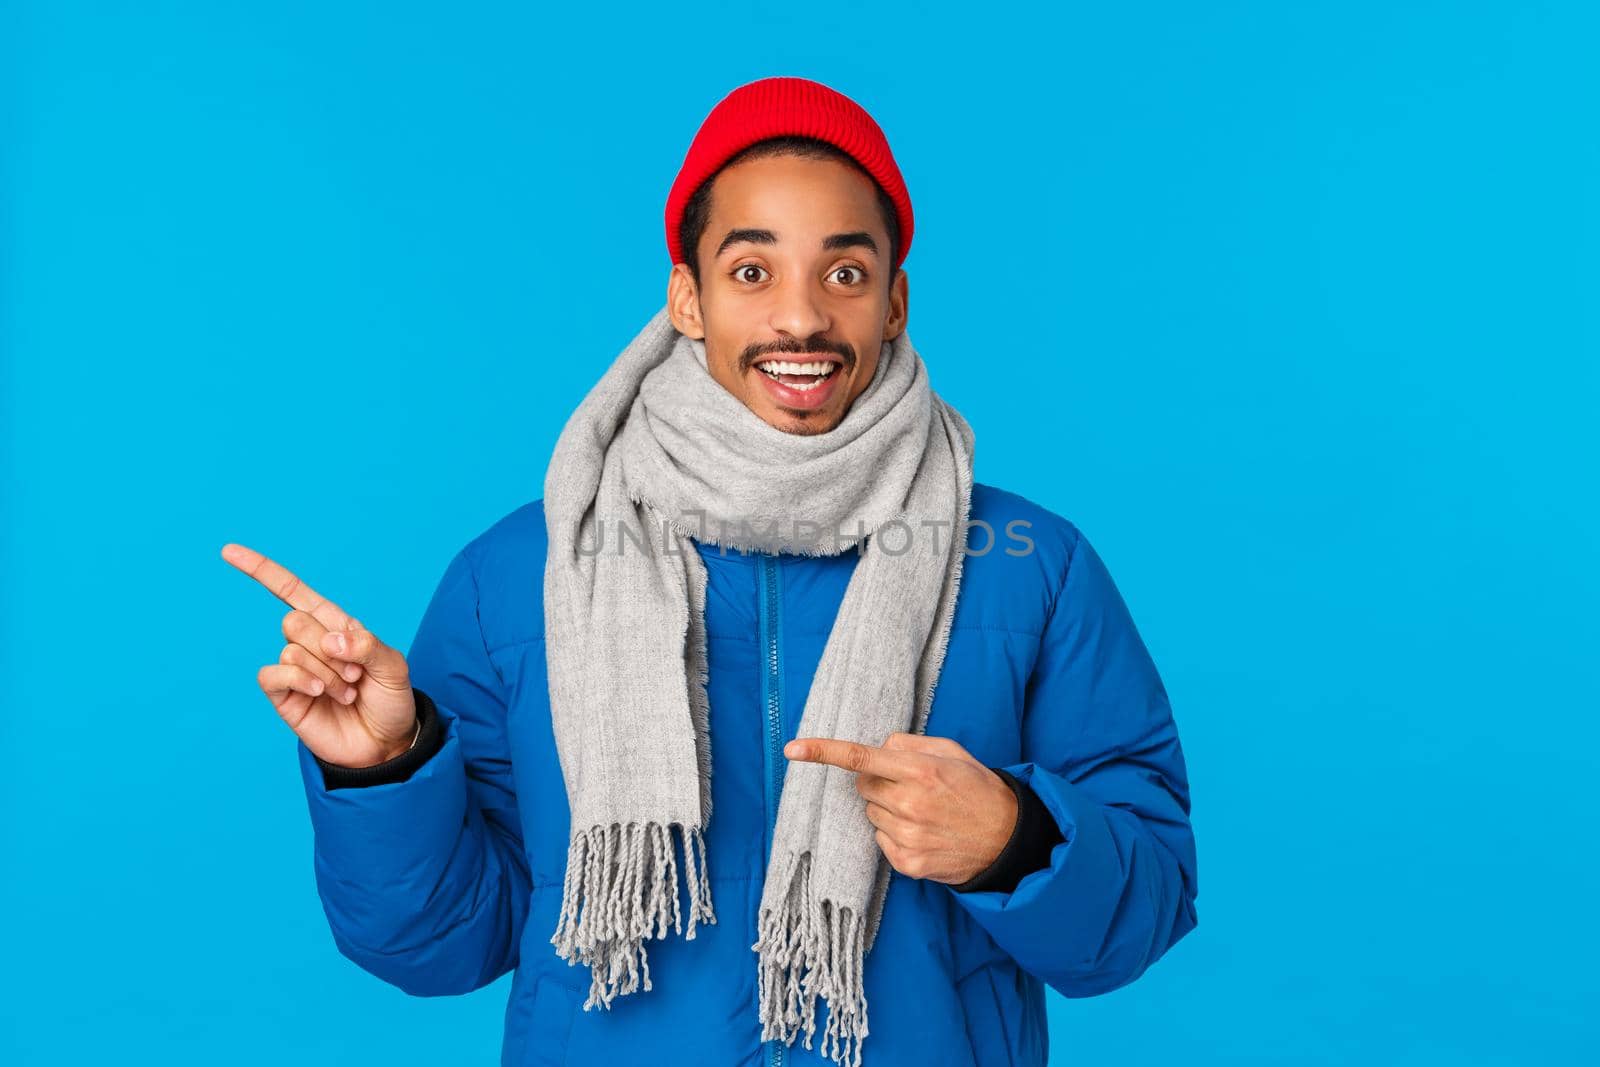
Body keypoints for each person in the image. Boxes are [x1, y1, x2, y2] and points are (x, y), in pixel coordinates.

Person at [223, 76, 1198, 1067]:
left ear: (895, 299)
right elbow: (438, 946)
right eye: (750, 271)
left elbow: (1143, 911)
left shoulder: (1029, 563)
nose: (802, 320)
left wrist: (1015, 838)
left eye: (846, 273)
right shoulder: (519, 569)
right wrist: (382, 766)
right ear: (686, 296)